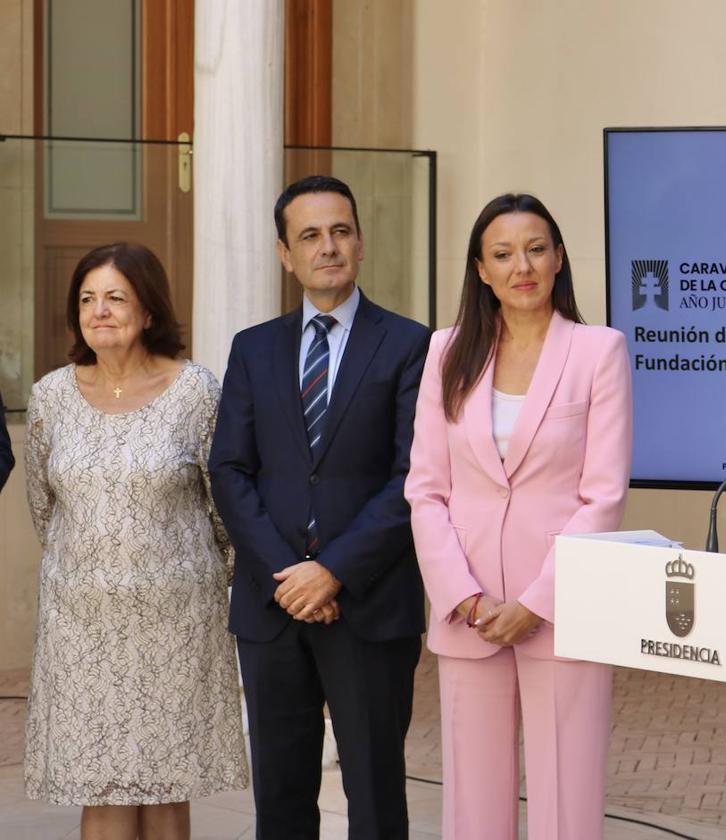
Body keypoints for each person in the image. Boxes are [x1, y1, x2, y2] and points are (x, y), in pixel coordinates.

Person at [209, 174, 430, 839]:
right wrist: (289, 574)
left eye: (340, 231)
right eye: (310, 235)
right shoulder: (254, 348)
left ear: (360, 242)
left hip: (369, 602)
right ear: (286, 253)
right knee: (279, 798)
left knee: (376, 797)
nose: (327, 247)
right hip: (273, 606)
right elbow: (229, 469)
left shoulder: (410, 344)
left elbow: (413, 475)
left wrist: (331, 570)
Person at [406, 193, 632, 840]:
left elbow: (603, 495)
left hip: (563, 608)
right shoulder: (447, 352)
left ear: (559, 258)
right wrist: (465, 598)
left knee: (568, 795)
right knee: (473, 805)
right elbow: (426, 490)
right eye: (502, 254)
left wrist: (537, 601)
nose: (521, 266)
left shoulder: (598, 351)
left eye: (535, 249)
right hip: (468, 611)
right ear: (480, 269)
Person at [23, 242, 247, 839]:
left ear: (148, 310)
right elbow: (46, 511)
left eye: (116, 297)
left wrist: (191, 578)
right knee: (103, 789)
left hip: (176, 619)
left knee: (166, 789)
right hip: (82, 622)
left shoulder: (196, 391)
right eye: (87, 299)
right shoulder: (49, 399)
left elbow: (224, 508)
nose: (99, 310)